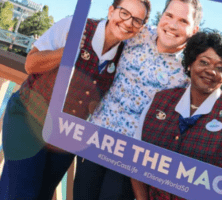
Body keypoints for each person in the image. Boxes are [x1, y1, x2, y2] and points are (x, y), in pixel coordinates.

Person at [0, 0, 150, 199]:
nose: (128, 22)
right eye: (124, 13)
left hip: (65, 135)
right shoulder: (75, 26)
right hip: (29, 117)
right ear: (111, 10)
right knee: (19, 194)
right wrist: (65, 52)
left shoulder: (125, 55)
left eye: (137, 20)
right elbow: (30, 64)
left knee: (42, 195)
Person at [73, 0, 203, 199]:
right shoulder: (138, 33)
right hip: (96, 139)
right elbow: (103, 36)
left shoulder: (190, 70)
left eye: (183, 20)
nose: (173, 25)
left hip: (132, 159)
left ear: (194, 29)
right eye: (169, 15)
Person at [132, 29, 222, 200]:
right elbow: (136, 160)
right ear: (190, 64)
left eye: (220, 67)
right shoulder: (160, 100)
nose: (211, 71)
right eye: (204, 62)